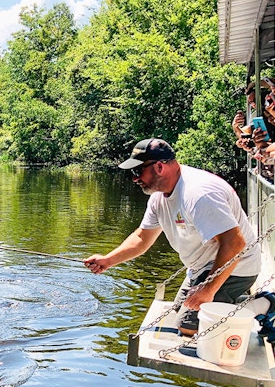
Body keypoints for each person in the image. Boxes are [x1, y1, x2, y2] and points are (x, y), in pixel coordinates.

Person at [84, 138, 272, 337]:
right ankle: (228, 301)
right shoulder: (159, 198)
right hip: (201, 268)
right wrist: (108, 260)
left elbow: (235, 243)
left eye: (137, 171)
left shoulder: (199, 194)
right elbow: (141, 238)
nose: (134, 179)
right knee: (178, 314)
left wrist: (208, 289)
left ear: (158, 166)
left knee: (189, 326)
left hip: (238, 267)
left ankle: (265, 304)